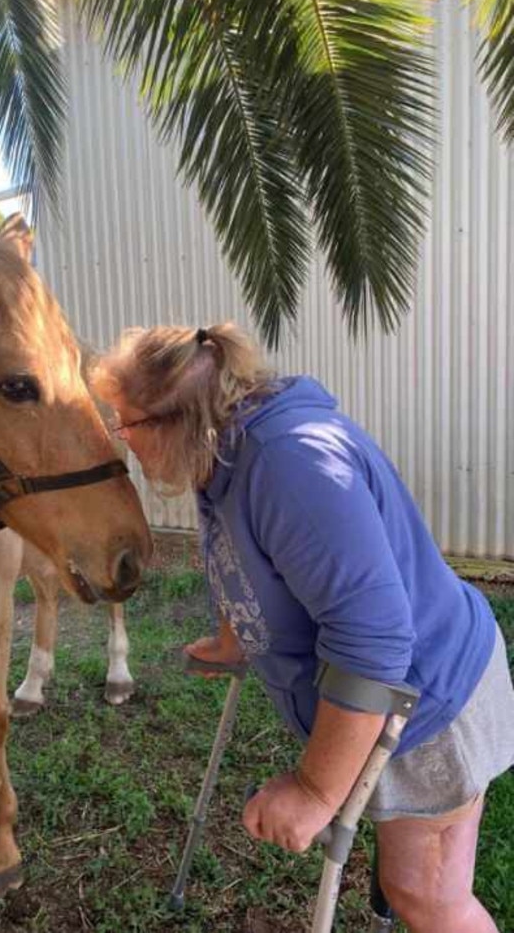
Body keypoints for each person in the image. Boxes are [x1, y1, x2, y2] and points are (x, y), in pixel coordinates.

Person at [91, 323, 514, 933]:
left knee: (426, 893)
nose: (122, 440)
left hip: (430, 702)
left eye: (125, 422)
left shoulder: (290, 464)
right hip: (402, 696)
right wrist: (235, 638)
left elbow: (373, 640)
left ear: (175, 419)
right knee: (413, 886)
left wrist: (315, 791)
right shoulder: (222, 453)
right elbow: (243, 554)